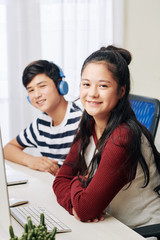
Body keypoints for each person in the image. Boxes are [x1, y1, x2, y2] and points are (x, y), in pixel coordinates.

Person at [53, 45, 160, 230]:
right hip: (110, 224)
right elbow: (60, 180)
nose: (92, 93)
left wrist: (78, 181)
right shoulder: (89, 124)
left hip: (142, 230)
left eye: (103, 85)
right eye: (86, 84)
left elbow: (86, 209)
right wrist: (77, 202)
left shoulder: (123, 137)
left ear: (121, 91)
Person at [4, 60, 82, 176]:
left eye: (42, 86)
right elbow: (7, 149)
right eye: (31, 90)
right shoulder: (40, 124)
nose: (36, 95)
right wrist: (31, 161)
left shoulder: (80, 119)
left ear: (60, 86)